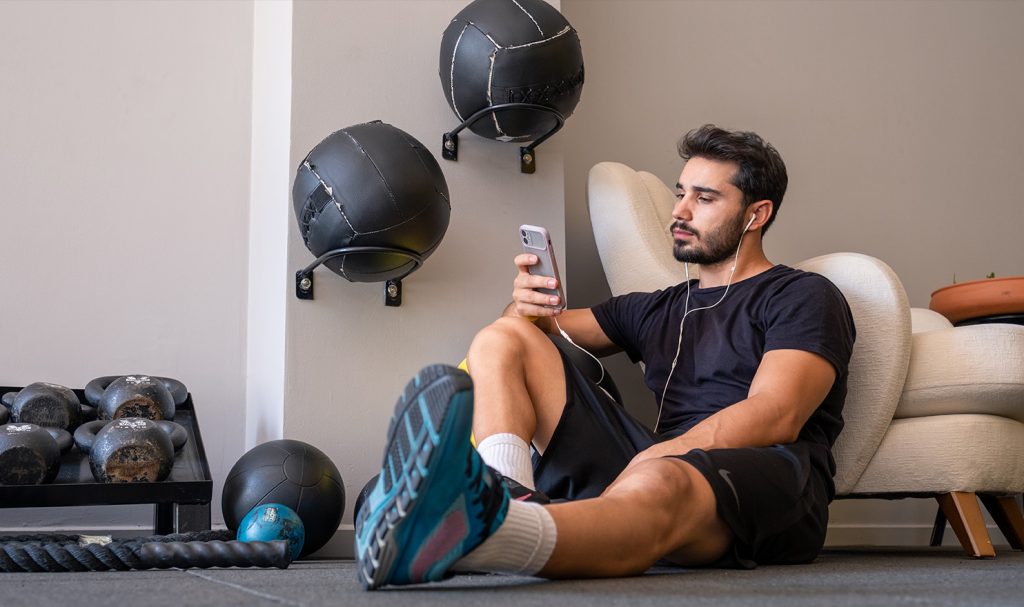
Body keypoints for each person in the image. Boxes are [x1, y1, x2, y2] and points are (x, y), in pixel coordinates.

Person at [355, 124, 856, 589]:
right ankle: (504, 496)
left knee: (662, 477)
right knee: (504, 335)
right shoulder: (659, 307)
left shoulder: (801, 295)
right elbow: (535, 331)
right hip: (649, 470)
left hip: (769, 479)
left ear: (756, 214)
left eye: (704, 198)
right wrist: (524, 303)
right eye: (680, 193)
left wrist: (651, 458)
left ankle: (480, 533)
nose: (679, 211)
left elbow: (777, 414)